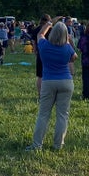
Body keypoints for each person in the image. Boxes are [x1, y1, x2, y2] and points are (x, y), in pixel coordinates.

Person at [26, 20, 77, 151]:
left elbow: (40, 34)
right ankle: (58, 144)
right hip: (66, 81)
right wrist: (68, 41)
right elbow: (74, 57)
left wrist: (48, 24)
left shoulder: (44, 45)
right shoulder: (67, 48)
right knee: (62, 114)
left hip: (48, 81)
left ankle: (37, 144)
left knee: (43, 114)